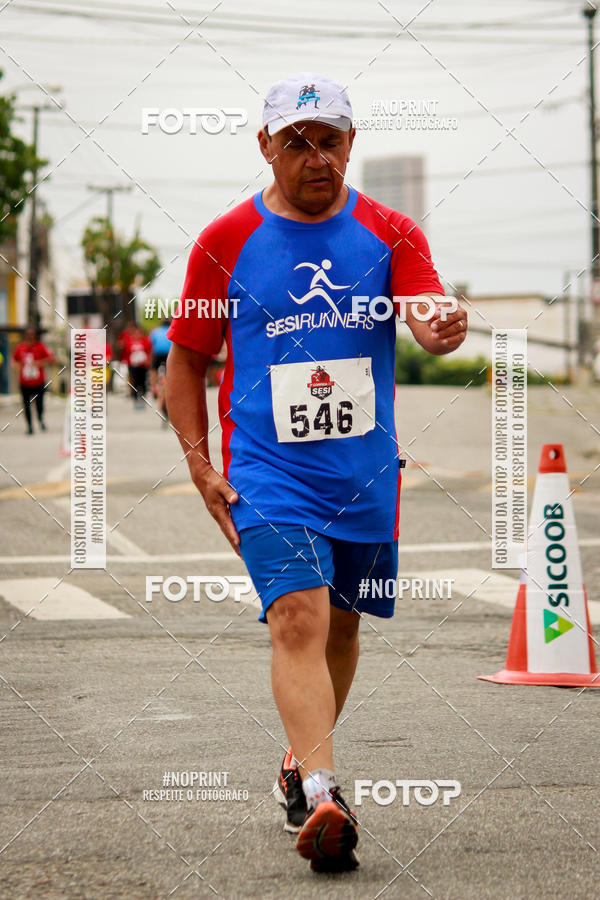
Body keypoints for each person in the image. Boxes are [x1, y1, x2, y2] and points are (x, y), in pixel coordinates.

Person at [166, 73, 468, 873]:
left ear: (350, 143)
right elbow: (185, 362)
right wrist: (201, 467)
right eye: (296, 142)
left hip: (363, 476)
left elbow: (425, 311)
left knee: (342, 624)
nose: (315, 157)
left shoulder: (391, 232)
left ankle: (299, 762)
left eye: (329, 140)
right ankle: (326, 794)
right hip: (267, 474)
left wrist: (441, 325)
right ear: (266, 147)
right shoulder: (226, 240)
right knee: (298, 618)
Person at [12, 327, 55, 434]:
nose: (30, 337)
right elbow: (14, 360)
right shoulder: (20, 347)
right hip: (25, 383)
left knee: (39, 404)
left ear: (35, 336)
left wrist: (39, 363)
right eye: (28, 335)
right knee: (26, 405)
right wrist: (16, 366)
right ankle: (30, 426)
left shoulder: (41, 347)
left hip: (38, 382)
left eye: (32, 335)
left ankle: (40, 418)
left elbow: (51, 359)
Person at [122, 325, 152, 408]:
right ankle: (135, 399)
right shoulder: (129, 342)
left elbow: (149, 352)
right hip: (133, 366)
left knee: (143, 382)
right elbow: (126, 353)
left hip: (143, 366)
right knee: (134, 382)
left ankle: (143, 399)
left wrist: (148, 361)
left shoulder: (145, 341)